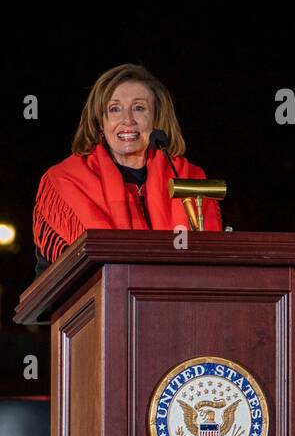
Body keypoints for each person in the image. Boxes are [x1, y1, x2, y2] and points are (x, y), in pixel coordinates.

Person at [32, 63, 223, 276]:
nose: (127, 120)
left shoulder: (189, 179)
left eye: (139, 108)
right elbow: (49, 282)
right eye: (114, 109)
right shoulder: (67, 181)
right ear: (100, 123)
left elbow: (214, 265)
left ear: (156, 119)